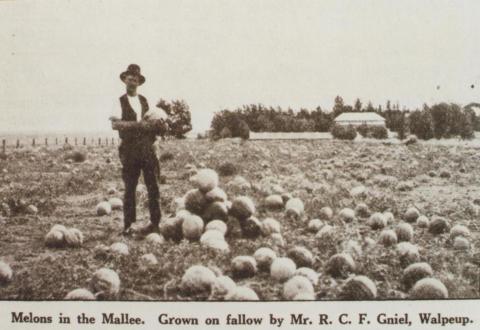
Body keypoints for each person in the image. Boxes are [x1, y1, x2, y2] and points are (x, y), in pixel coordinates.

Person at [109, 64, 163, 236]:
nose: (132, 81)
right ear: (125, 80)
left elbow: (153, 122)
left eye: (135, 79)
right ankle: (129, 226)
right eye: (129, 78)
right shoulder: (119, 101)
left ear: (139, 82)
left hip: (147, 148)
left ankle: (155, 224)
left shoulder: (145, 101)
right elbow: (115, 124)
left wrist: (159, 128)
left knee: (153, 186)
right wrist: (139, 125)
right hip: (130, 149)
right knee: (130, 188)